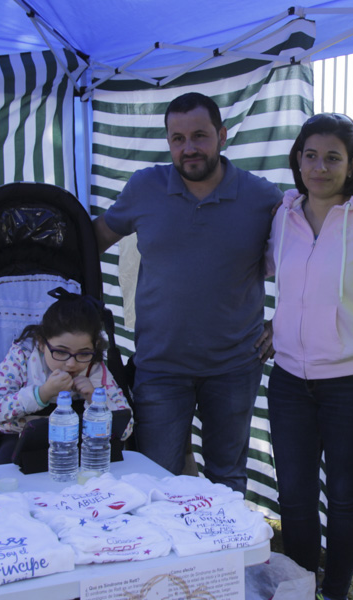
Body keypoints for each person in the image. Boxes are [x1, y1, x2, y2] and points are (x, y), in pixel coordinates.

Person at [92, 92, 281, 493]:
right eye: (177, 139)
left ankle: (226, 556)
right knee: (154, 479)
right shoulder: (145, 188)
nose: (189, 148)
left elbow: (309, 262)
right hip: (160, 366)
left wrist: (280, 323)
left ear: (222, 135)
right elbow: (92, 240)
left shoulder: (261, 197)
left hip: (234, 365)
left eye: (199, 135)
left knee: (227, 479)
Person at [263, 113, 353, 600]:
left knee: (346, 498)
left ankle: (336, 592)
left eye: (333, 158)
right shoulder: (283, 214)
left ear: (352, 165)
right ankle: (302, 589)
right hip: (288, 380)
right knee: (295, 498)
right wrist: (276, 323)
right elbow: (278, 279)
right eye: (310, 155)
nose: (319, 167)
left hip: (352, 381)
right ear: (297, 159)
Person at [0, 290, 132, 464]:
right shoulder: (22, 358)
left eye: (83, 354)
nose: (71, 364)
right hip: (22, 442)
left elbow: (126, 428)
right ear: (41, 342)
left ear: (95, 347)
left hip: (79, 444)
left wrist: (95, 398)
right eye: (61, 352)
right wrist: (42, 393)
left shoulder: (95, 368)